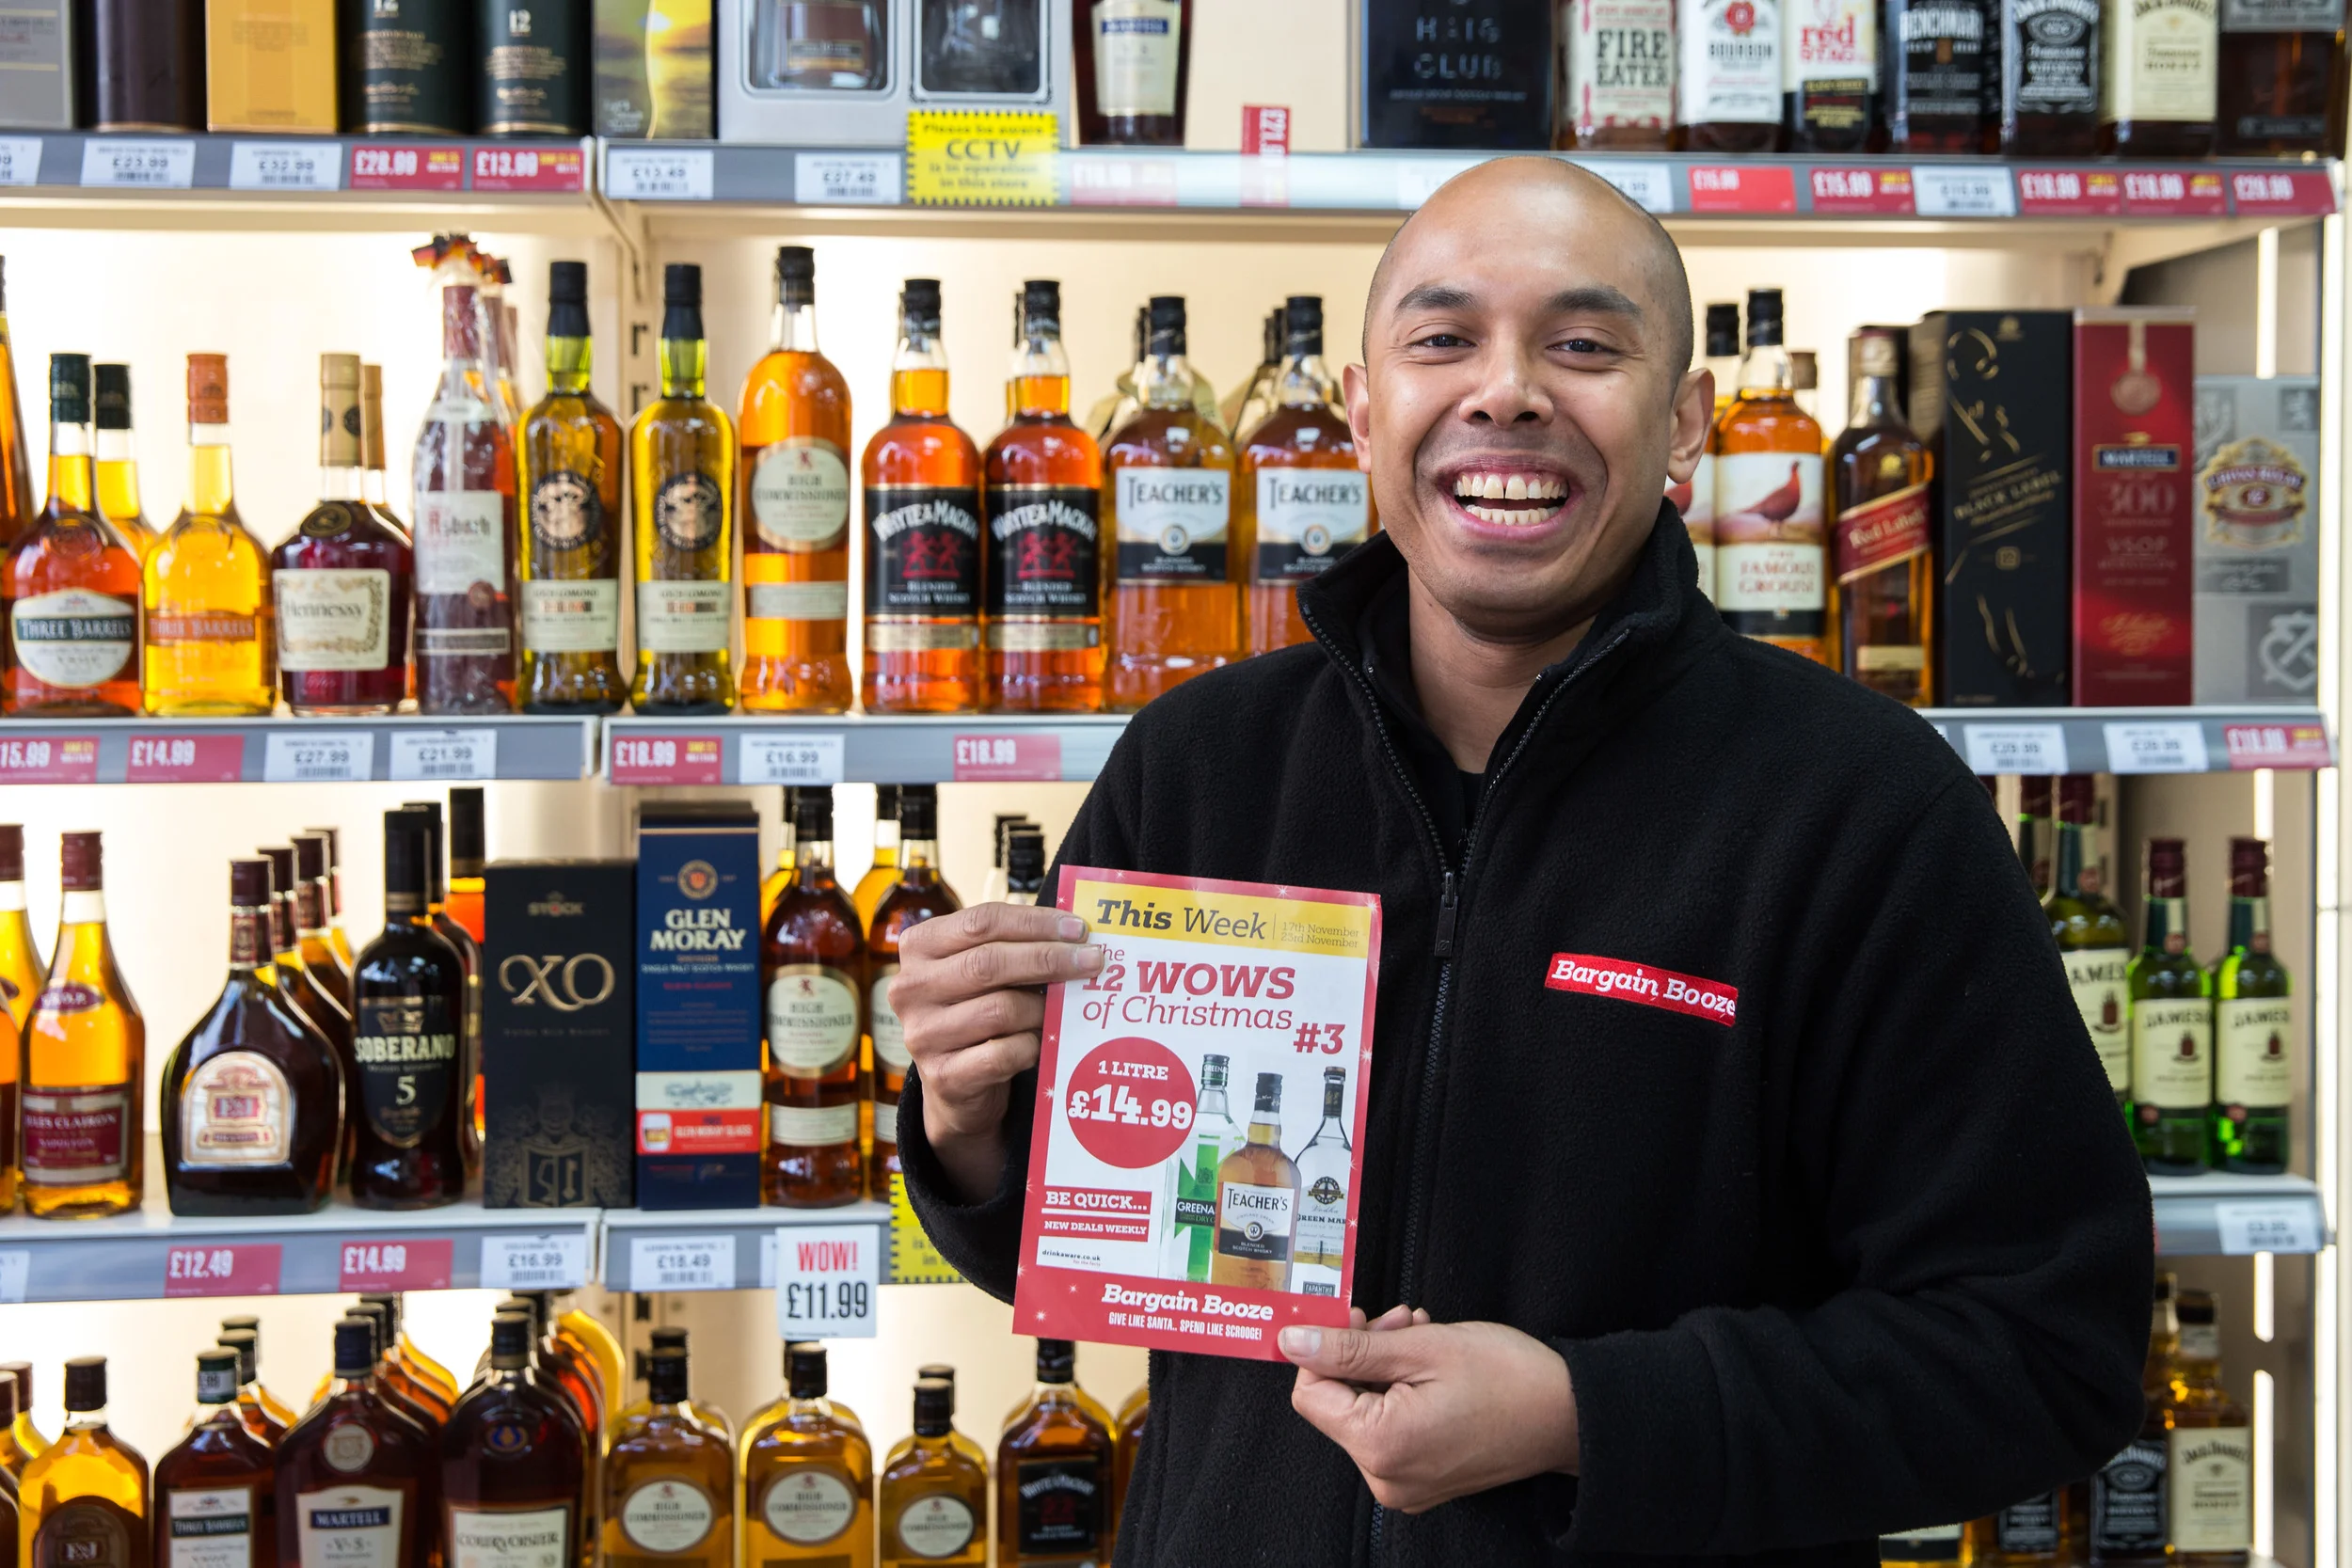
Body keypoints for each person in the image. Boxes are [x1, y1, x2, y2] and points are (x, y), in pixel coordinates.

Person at [890, 157, 2152, 1563]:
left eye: (1583, 344)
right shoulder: (1200, 765)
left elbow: (2046, 1345)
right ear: (1365, 415)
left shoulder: (1861, 806)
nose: (1507, 391)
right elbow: (1107, 1263)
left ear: (1684, 428)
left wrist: (1583, 1409)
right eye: (1443, 339)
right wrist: (975, 1118)